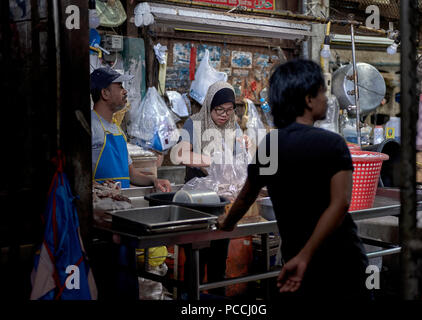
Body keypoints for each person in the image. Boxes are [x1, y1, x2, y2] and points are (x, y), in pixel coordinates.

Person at [218, 59, 370, 300]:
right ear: (309, 100)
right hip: (340, 260)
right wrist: (305, 256)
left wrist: (226, 223)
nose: (326, 99)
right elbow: (340, 203)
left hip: (296, 259)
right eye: (322, 92)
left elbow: (247, 195)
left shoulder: (270, 145)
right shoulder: (333, 144)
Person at [173, 81, 248, 297]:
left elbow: (237, 162)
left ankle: (217, 302)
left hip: (222, 202)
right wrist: (208, 160)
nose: (224, 115)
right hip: (196, 204)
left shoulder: (232, 127)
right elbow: (179, 155)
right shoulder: (194, 124)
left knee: (218, 260)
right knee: (196, 260)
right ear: (209, 107)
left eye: (229, 109)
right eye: (219, 110)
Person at [90, 67, 171, 191]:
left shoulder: (117, 130)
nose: (125, 91)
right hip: (99, 203)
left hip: (119, 202)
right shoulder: (89, 125)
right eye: (120, 87)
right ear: (105, 93)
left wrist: (154, 180)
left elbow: (132, 175)